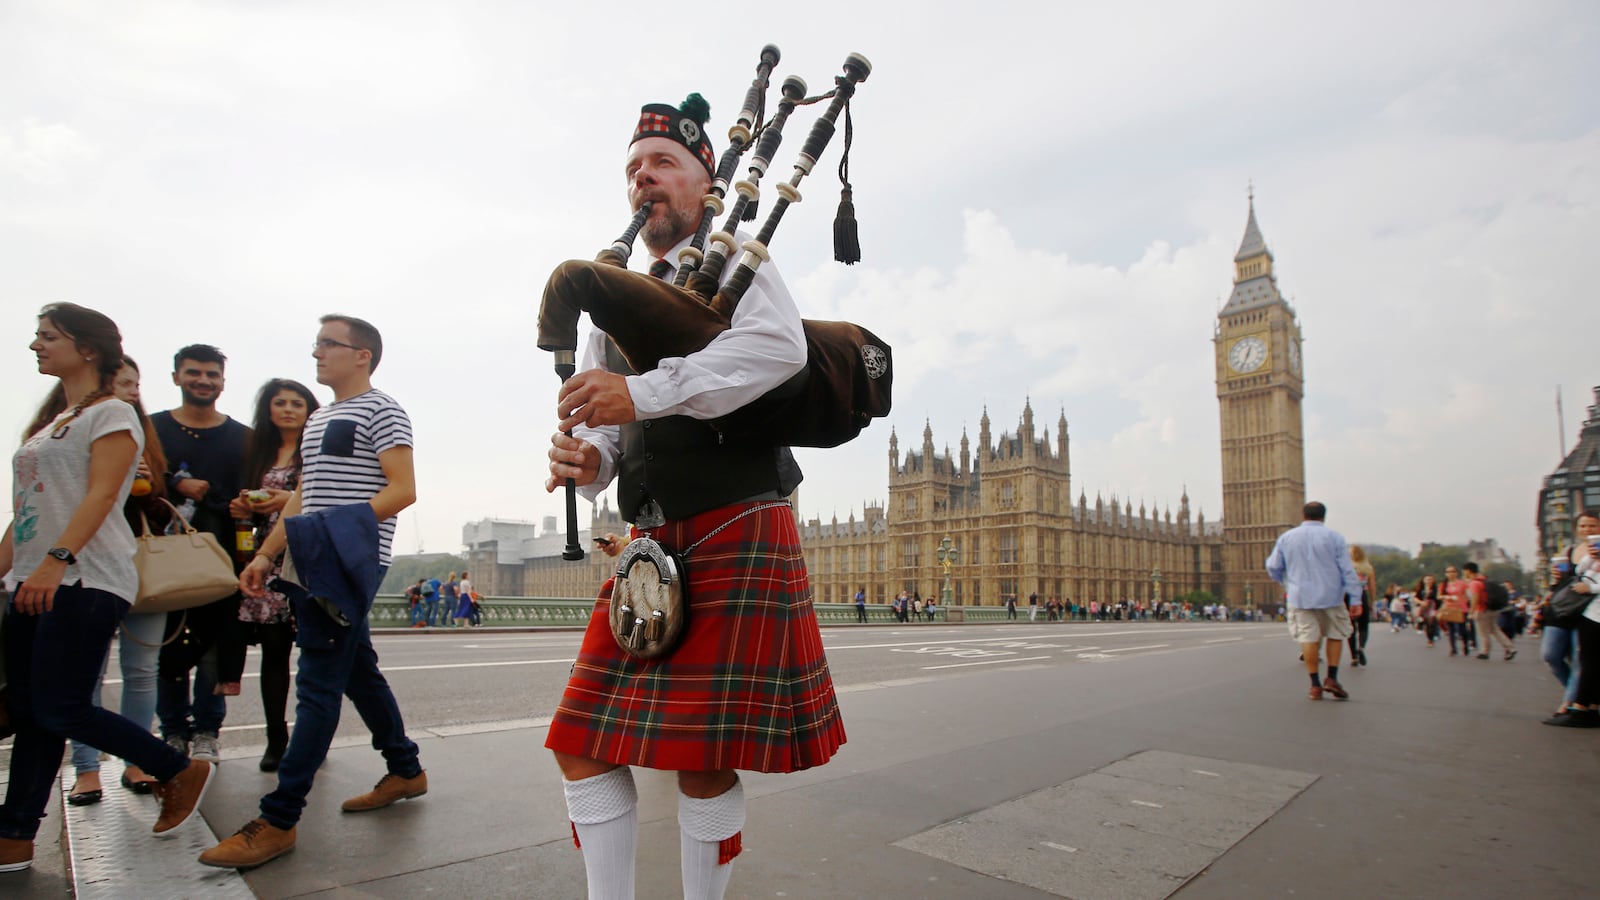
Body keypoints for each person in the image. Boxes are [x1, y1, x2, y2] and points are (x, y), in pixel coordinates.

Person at [542, 94, 846, 900]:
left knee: (702, 760)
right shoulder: (619, 294)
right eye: (635, 170)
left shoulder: (740, 255)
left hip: (736, 518)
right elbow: (615, 431)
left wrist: (641, 394)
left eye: (663, 165)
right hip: (650, 535)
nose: (646, 181)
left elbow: (778, 351)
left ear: (704, 177)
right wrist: (589, 458)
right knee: (581, 738)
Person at [201, 314, 425, 869]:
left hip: (345, 562)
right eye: (317, 343)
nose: (317, 353)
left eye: (329, 344)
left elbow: (403, 490)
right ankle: (404, 768)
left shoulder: (383, 409)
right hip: (309, 559)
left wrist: (331, 532)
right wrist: (267, 553)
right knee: (356, 670)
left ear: (362, 356)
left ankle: (279, 819)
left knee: (318, 684)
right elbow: (304, 495)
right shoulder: (322, 416)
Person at [2, 304, 213, 874]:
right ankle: (15, 835)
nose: (36, 346)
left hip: (84, 577)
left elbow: (101, 496)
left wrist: (55, 561)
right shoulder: (55, 420)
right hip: (32, 577)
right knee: (33, 712)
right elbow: (27, 508)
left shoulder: (113, 413)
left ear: (88, 348)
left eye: (47, 337)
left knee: (62, 705)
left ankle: (174, 767)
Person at [67, 357, 173, 803]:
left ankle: (137, 761)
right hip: (84, 564)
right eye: (121, 382)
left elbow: (161, 511)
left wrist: (149, 487)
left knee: (142, 670)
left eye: (135, 384)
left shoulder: (144, 438)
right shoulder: (73, 430)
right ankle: (86, 769)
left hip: (140, 564)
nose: (131, 390)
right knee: (84, 676)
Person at [150, 343, 251, 762]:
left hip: (221, 557)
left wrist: (247, 550)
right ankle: (173, 729)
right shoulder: (151, 429)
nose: (203, 381)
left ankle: (208, 729)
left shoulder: (243, 438)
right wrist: (174, 483)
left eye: (212, 375)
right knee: (166, 646)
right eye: (194, 373)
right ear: (176, 377)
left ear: (223, 382)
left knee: (215, 647)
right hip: (160, 557)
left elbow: (250, 504)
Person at [227, 378, 320, 772]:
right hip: (261, 559)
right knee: (273, 656)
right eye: (279, 402)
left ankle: (311, 736)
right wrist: (242, 510)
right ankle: (276, 736)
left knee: (316, 660)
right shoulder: (256, 455)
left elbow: (317, 500)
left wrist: (286, 501)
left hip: (301, 561)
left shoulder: (314, 451)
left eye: (296, 403)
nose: (287, 409)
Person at [1265, 501, 1364, 701]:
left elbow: (1273, 566)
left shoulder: (1287, 538)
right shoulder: (1334, 537)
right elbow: (1348, 571)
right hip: (1332, 596)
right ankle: (1332, 678)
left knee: (1308, 638)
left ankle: (1315, 685)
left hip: (1299, 596)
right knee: (1336, 634)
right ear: (1323, 517)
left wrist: (1287, 582)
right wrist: (1356, 599)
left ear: (1303, 516)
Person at [1541, 509, 1598, 724]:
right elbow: (1563, 581)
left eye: (1592, 525)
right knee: (1550, 655)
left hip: (1587, 610)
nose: (1587, 529)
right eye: (1583, 525)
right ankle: (1582, 695)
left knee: (1580, 659)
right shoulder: (1570, 549)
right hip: (1564, 608)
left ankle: (1570, 704)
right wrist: (1556, 577)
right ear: (1576, 529)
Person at [1463, 562, 1515, 661]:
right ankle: (1510, 648)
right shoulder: (1484, 579)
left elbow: (1475, 597)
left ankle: (1485, 651)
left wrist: (1471, 612)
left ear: (1468, 571)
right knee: (1495, 629)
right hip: (1493, 608)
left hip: (1482, 609)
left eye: (1465, 571)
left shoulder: (1474, 583)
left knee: (1483, 632)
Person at [1348, 545, 1375, 667]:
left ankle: (1353, 656)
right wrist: (1372, 601)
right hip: (1362, 595)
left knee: (1350, 628)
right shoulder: (1368, 568)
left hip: (1348, 596)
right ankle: (1361, 647)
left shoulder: (1348, 567)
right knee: (1364, 625)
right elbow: (1372, 587)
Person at [1439, 565, 1472, 656]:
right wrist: (1447, 597)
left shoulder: (1462, 583)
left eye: (1453, 571)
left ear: (1456, 573)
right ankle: (1453, 648)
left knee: (1463, 629)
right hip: (1449, 608)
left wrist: (1464, 601)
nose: (1451, 574)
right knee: (1451, 629)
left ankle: (1465, 645)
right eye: (1448, 572)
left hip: (1461, 608)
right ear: (1446, 574)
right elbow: (1439, 596)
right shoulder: (1443, 584)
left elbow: (1468, 596)